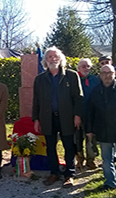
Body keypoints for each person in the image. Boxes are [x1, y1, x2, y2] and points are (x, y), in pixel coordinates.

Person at [32, 47, 84, 187]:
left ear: (61, 59)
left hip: (67, 117)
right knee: (50, 147)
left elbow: (78, 98)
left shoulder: (71, 75)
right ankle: (54, 173)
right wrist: (36, 119)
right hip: (47, 118)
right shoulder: (39, 79)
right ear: (45, 60)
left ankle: (69, 174)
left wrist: (77, 115)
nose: (53, 58)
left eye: (55, 56)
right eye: (49, 56)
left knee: (69, 146)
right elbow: (36, 100)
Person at [86, 64, 116, 190]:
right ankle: (110, 183)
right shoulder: (95, 91)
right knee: (106, 158)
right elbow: (90, 112)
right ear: (100, 76)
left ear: (114, 74)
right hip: (104, 131)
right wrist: (89, 130)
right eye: (103, 73)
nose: (107, 76)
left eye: (109, 73)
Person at [76, 58, 99, 171]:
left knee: (91, 138)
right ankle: (79, 159)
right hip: (77, 114)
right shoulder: (73, 79)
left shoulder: (96, 79)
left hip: (92, 114)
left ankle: (91, 160)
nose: (86, 68)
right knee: (77, 138)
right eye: (83, 66)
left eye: (88, 66)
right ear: (78, 68)